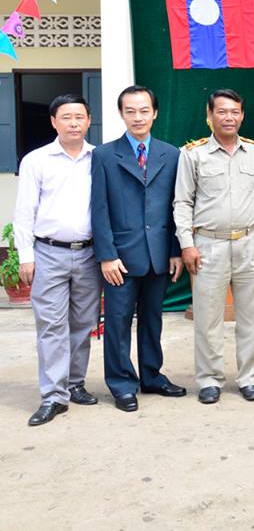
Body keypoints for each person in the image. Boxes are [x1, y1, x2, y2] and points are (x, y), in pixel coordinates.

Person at [91, 85, 187, 413]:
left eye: (144, 110)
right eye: (130, 111)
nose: (138, 117)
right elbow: (99, 209)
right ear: (121, 114)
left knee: (153, 320)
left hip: (159, 254)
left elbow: (176, 207)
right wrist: (106, 255)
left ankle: (152, 376)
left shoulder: (171, 154)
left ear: (155, 113)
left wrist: (175, 250)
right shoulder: (104, 155)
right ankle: (121, 384)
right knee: (117, 322)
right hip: (120, 257)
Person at [173, 89, 254, 405]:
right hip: (208, 244)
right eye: (222, 112)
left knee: (252, 316)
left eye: (235, 112)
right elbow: (182, 202)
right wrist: (187, 244)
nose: (229, 117)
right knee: (207, 317)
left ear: (242, 115)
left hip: (248, 242)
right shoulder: (193, 154)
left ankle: (250, 378)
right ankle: (210, 379)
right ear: (209, 115)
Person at [14, 94, 102, 426]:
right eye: (66, 117)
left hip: (89, 254)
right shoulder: (36, 160)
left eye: (79, 117)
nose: (73, 123)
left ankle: (75, 383)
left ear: (89, 120)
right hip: (48, 253)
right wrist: (26, 257)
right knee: (51, 325)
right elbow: (24, 212)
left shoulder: (99, 158)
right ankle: (53, 395)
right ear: (54, 122)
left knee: (82, 323)